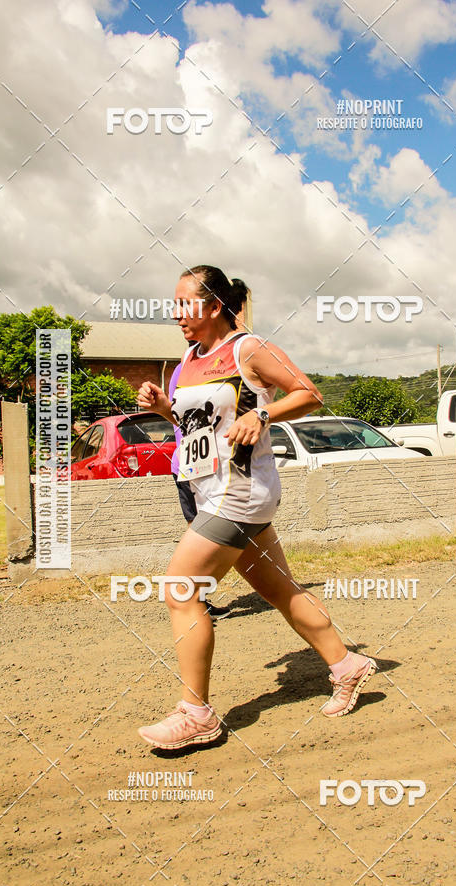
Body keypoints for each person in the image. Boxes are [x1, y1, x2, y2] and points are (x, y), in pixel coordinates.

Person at [136, 265, 377, 750]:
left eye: (186, 303)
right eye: (174, 303)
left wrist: (262, 412)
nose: (177, 313)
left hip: (242, 491)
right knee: (281, 591)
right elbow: (197, 426)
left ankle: (197, 714)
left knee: (182, 591)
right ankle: (347, 665)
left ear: (216, 305)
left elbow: (308, 393)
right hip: (212, 489)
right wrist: (165, 408)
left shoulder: (248, 349)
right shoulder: (190, 356)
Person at [168, 357, 232, 620]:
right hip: (194, 468)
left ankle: (194, 599)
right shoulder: (190, 369)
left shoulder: (186, 369)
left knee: (204, 534)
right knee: (201, 535)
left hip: (202, 467)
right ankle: (192, 600)